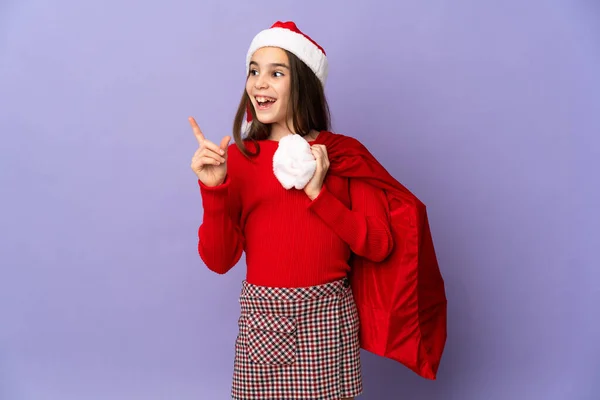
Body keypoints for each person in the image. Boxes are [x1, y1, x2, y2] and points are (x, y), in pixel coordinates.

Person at [189, 21, 395, 400]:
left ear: (302, 84)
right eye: (254, 71)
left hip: (329, 323)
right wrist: (214, 189)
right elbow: (219, 261)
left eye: (276, 73)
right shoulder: (238, 159)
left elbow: (380, 245)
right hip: (264, 323)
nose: (259, 83)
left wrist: (320, 194)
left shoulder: (344, 155)